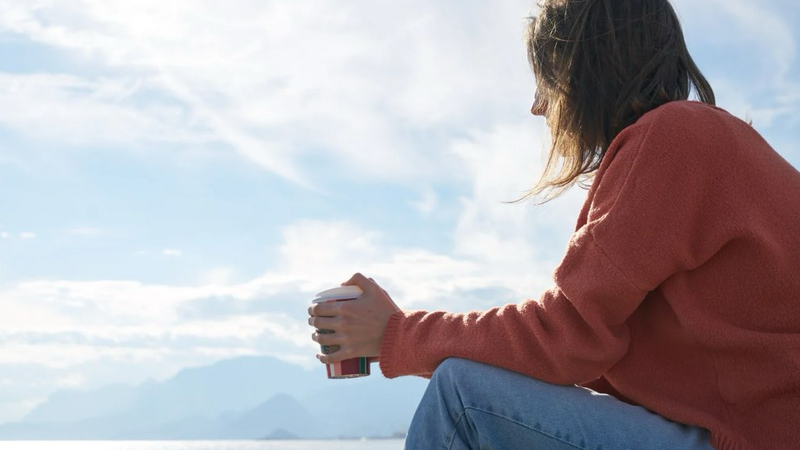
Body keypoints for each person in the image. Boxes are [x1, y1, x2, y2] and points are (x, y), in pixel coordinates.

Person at [308, 0, 800, 448]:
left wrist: (397, 334)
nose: (538, 105)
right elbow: (586, 352)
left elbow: (568, 337)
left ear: (582, 69)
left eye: (546, 78)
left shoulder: (672, 139)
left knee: (461, 395)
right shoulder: (714, 145)